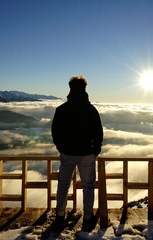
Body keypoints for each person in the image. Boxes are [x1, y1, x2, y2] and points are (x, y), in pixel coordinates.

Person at [51, 76, 103, 232]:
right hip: (87, 153)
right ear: (85, 89)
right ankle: (87, 219)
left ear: (70, 88)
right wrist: (95, 151)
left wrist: (61, 147)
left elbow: (55, 132)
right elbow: (98, 133)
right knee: (88, 187)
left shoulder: (61, 109)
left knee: (63, 185)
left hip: (67, 153)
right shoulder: (91, 110)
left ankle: (60, 215)